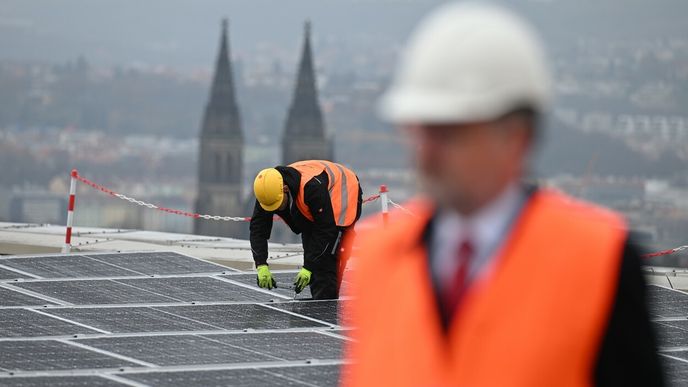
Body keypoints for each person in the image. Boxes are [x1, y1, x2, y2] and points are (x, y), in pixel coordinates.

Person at [342, 2, 664, 386]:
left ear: (516, 137)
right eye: (420, 130)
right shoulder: (379, 258)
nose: (426, 151)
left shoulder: (600, 261)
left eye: (450, 132)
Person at [250, 160, 362, 300]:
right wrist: (261, 264)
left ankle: (326, 304)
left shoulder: (311, 188)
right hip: (318, 198)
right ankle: (320, 300)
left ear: (285, 189)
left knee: (328, 260)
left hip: (343, 191)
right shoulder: (267, 190)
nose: (276, 210)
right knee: (313, 250)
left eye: (278, 205)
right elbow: (257, 229)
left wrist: (308, 266)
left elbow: (326, 230)